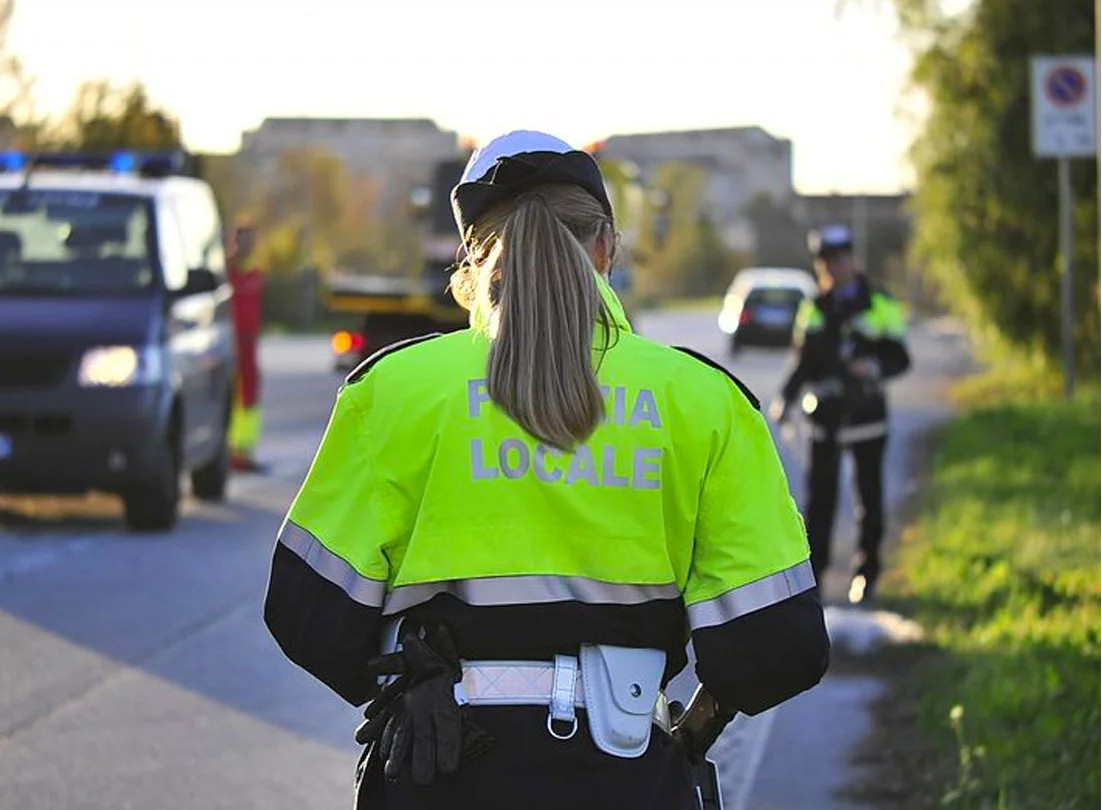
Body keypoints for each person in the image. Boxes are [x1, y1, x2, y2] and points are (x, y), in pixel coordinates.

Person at [264, 130, 830, 810]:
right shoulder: (704, 400)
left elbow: (305, 611)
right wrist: (689, 731)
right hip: (626, 778)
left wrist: (400, 679)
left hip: (438, 778)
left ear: (471, 261)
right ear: (607, 248)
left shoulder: (394, 390)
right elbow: (777, 644)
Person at [770, 224, 911, 605]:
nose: (835, 268)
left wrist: (874, 366)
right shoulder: (814, 306)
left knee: (870, 500)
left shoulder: (879, 302)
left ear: (853, 260)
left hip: (867, 416)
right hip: (825, 420)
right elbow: (802, 361)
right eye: (827, 263)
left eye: (840, 260)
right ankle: (815, 581)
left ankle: (867, 575)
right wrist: (785, 398)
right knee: (819, 505)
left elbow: (900, 357)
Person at [227, 224, 265, 472]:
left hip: (249, 343)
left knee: (249, 395)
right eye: (243, 240)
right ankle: (230, 451)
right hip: (229, 344)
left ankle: (245, 450)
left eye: (251, 240)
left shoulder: (257, 274)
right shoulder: (226, 273)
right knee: (229, 394)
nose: (247, 246)